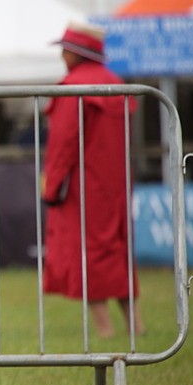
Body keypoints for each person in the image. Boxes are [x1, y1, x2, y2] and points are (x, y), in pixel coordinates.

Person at [42, 22, 142, 338]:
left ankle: (104, 329)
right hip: (116, 185)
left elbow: (63, 142)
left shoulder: (73, 87)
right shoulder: (115, 83)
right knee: (118, 250)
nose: (61, 55)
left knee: (87, 253)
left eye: (65, 49)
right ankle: (136, 325)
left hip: (82, 187)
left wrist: (52, 184)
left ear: (75, 53)